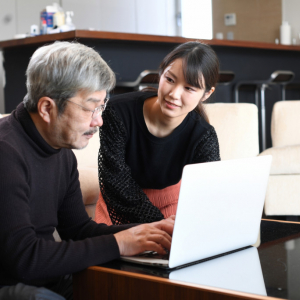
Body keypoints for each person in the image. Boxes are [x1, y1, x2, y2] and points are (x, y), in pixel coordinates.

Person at [0, 41, 174, 300]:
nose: (99, 120)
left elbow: (79, 230)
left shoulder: (62, 152)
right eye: (91, 107)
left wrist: (150, 231)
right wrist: (120, 243)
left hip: (46, 278)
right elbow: (25, 259)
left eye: (101, 107)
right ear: (47, 108)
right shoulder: (6, 153)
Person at [96, 41, 221, 225]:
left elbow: (207, 194)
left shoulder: (204, 135)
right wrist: (158, 225)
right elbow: (114, 179)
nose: (174, 94)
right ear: (161, 73)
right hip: (118, 202)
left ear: (206, 94)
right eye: (170, 79)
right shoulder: (117, 112)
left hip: (173, 204)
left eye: (189, 88)